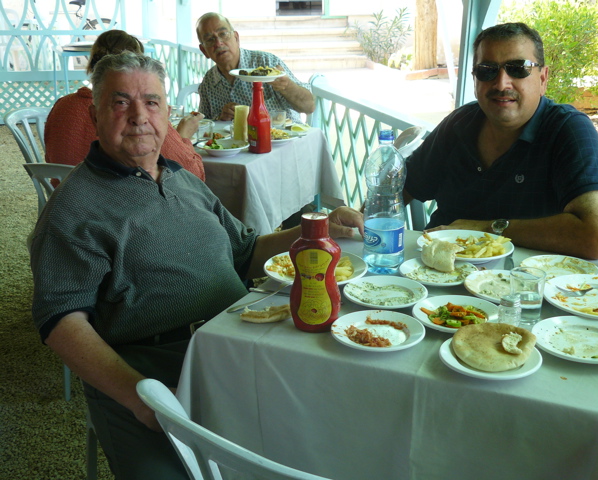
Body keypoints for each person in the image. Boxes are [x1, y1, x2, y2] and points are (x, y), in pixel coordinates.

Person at [29, 51, 363, 479]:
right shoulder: (73, 209)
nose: (138, 116)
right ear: (94, 114)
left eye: (151, 102)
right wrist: (140, 396)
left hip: (235, 346)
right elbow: (60, 321)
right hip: (150, 373)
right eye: (119, 102)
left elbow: (245, 251)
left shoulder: (182, 179)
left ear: (168, 112)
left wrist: (316, 230)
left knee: (322, 437)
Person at [403, 22, 598, 260]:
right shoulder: (460, 124)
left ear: (543, 78)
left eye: (518, 68)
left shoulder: (568, 130)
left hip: (525, 287)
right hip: (437, 274)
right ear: (475, 79)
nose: (501, 83)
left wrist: (489, 229)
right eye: (487, 70)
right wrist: (358, 221)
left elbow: (596, 237)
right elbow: (399, 189)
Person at [44, 29, 206, 181]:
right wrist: (183, 136)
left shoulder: (62, 105)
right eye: (121, 102)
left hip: (64, 192)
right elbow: (192, 173)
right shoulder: (140, 119)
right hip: (116, 204)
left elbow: (50, 157)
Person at [195, 12, 315, 123]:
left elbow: (309, 106)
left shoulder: (266, 63)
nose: (218, 43)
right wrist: (221, 118)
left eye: (223, 34)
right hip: (238, 144)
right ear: (204, 50)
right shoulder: (209, 81)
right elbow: (203, 124)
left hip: (282, 140)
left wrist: (287, 86)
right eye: (210, 39)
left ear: (236, 38)